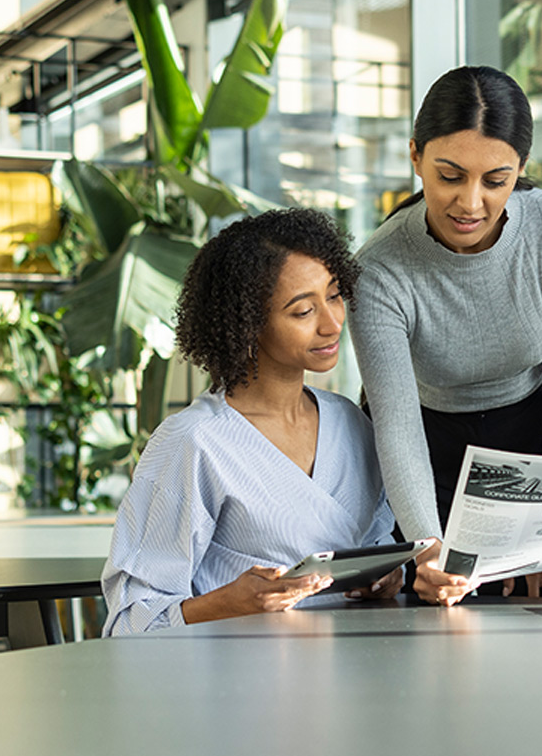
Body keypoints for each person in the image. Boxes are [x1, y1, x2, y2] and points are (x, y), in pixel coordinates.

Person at [349, 66, 542, 603]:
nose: (470, 203)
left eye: (495, 180)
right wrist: (426, 545)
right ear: (415, 155)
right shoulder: (378, 271)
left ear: (521, 169)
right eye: (449, 175)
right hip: (425, 446)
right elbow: (397, 425)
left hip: (534, 435)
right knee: (440, 613)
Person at [100, 209, 414, 635]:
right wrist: (227, 604)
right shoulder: (194, 442)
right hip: (238, 685)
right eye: (303, 311)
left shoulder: (351, 424)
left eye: (335, 295)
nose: (332, 322)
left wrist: (385, 580)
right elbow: (129, 622)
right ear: (248, 324)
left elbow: (377, 545)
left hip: (354, 672)